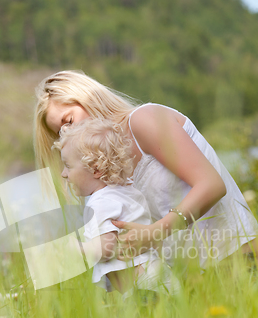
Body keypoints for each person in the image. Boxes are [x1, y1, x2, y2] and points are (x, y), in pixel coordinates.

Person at [34, 70, 258, 271]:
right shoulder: (103, 170)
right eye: (59, 132)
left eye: (69, 120)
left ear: (88, 98)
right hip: (193, 279)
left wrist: (156, 232)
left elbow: (212, 185)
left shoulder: (144, 120)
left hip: (237, 261)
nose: (67, 133)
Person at [52, 118, 180, 297]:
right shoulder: (124, 192)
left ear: (95, 170)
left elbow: (107, 247)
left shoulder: (101, 201)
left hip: (146, 288)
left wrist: (76, 249)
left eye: (68, 166)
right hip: (157, 281)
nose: (64, 174)